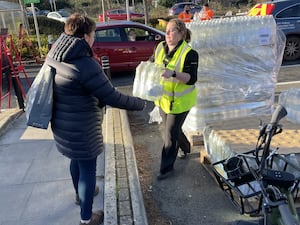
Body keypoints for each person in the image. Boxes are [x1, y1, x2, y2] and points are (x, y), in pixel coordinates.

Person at [46, 13, 147, 225]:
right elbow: (111, 96)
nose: (94, 39)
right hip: (82, 126)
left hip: (63, 123)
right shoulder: (85, 63)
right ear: (84, 36)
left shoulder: (56, 52)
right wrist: (140, 103)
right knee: (88, 168)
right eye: (93, 35)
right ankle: (86, 217)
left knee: (76, 160)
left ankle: (79, 194)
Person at [152, 18, 199, 180]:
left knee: (169, 136)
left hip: (179, 103)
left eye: (172, 30)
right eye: (167, 30)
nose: (167, 34)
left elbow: (191, 78)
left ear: (182, 34)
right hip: (163, 100)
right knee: (172, 130)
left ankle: (166, 169)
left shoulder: (189, 53)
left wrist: (173, 73)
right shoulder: (160, 48)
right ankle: (185, 147)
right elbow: (153, 65)